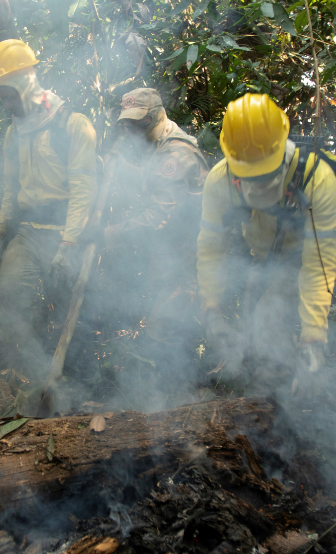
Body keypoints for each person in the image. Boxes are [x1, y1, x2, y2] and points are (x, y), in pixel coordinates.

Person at [196, 93, 336, 396]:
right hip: (262, 258)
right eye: (249, 174)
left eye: (265, 173)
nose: (258, 185)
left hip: (301, 259)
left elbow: (319, 263)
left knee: (269, 319)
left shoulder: (317, 180)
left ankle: (278, 405)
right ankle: (273, 393)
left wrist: (313, 337)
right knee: (254, 328)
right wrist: (211, 308)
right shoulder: (219, 181)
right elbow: (211, 249)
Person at [0, 39, 97, 373]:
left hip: (67, 232)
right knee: (10, 297)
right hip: (29, 233)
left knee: (69, 311)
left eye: (8, 96)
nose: (4, 104)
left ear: (25, 85)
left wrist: (69, 244)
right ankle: (25, 372)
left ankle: (75, 382)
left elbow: (83, 189)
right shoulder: (13, 134)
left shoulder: (73, 125)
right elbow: (9, 187)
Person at [84, 88, 208, 393]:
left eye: (137, 124)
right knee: (170, 330)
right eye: (128, 125)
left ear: (155, 117)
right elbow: (151, 178)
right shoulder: (160, 145)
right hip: (171, 256)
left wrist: (108, 233)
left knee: (163, 335)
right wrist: (122, 168)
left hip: (189, 258)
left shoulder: (175, 153)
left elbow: (158, 218)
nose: (132, 132)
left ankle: (175, 406)